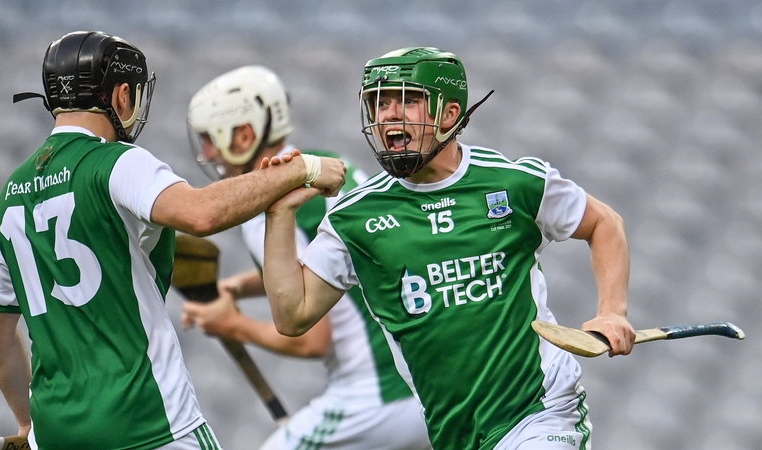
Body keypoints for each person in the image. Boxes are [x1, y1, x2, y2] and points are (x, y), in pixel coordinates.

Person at [0, 31, 345, 450]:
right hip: (149, 423)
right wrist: (301, 170)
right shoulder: (115, 162)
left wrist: (28, 425)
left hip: (56, 432)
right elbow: (201, 214)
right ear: (120, 95)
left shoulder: (9, 195)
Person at [261, 47, 637, 450]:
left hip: (541, 412)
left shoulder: (514, 183)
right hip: (453, 434)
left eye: (407, 100)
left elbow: (603, 223)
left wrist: (612, 311)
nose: (388, 114)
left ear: (449, 113)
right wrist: (278, 214)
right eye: (379, 102)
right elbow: (292, 315)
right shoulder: (355, 216)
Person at [181, 65, 432, 450]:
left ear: (244, 134)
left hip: (372, 395)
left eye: (208, 138)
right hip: (422, 385)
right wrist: (240, 286)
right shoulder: (331, 164)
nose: (206, 152)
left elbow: (311, 339)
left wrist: (234, 325)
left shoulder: (276, 203)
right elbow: (334, 262)